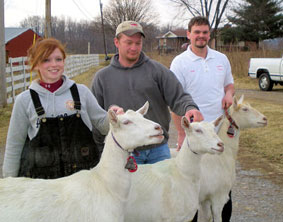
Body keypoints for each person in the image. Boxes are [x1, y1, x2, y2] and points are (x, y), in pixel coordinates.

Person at [2, 38, 123, 179]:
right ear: (35, 65)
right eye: (46, 60)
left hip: (83, 181)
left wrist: (115, 116)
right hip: (43, 185)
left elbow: (103, 125)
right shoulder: (25, 100)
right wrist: (9, 183)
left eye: (58, 59)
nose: (54, 64)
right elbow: (14, 146)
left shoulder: (81, 92)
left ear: (64, 62)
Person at [91, 20, 203, 165]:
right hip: (123, 154)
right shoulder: (102, 78)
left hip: (158, 150)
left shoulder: (157, 71)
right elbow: (96, 118)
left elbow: (179, 96)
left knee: (162, 188)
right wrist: (100, 150)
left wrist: (190, 108)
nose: (134, 47)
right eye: (128, 42)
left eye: (138, 43)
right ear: (116, 42)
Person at [170, 16, 235, 222]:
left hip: (218, 133)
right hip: (195, 136)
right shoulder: (179, 62)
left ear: (209, 34)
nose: (201, 36)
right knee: (193, 189)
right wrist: (181, 134)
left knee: (223, 187)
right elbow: (174, 100)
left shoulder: (221, 59)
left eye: (205, 32)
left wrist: (229, 94)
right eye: (196, 32)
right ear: (189, 34)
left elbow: (229, 85)